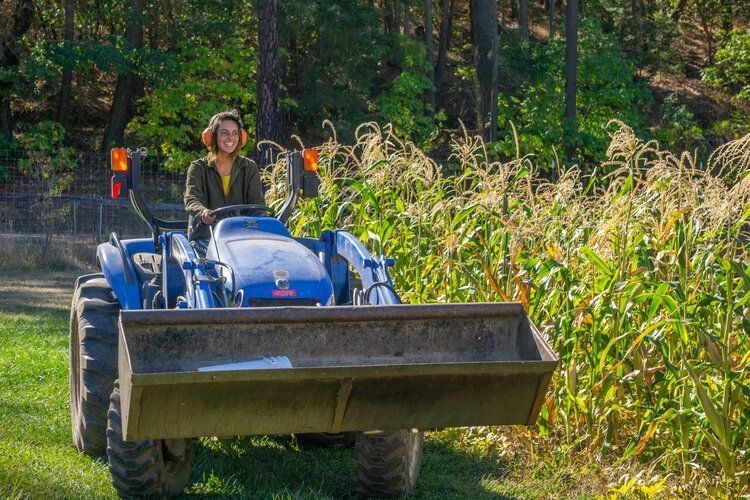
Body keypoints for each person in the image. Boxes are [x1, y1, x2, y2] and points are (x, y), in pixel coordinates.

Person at [184, 110, 265, 257]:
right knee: (223, 258)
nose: (230, 137)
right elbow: (192, 199)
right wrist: (203, 212)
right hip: (207, 236)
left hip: (240, 237)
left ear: (240, 138)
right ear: (213, 137)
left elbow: (256, 205)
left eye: (235, 133)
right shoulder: (198, 167)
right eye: (224, 133)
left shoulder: (249, 167)